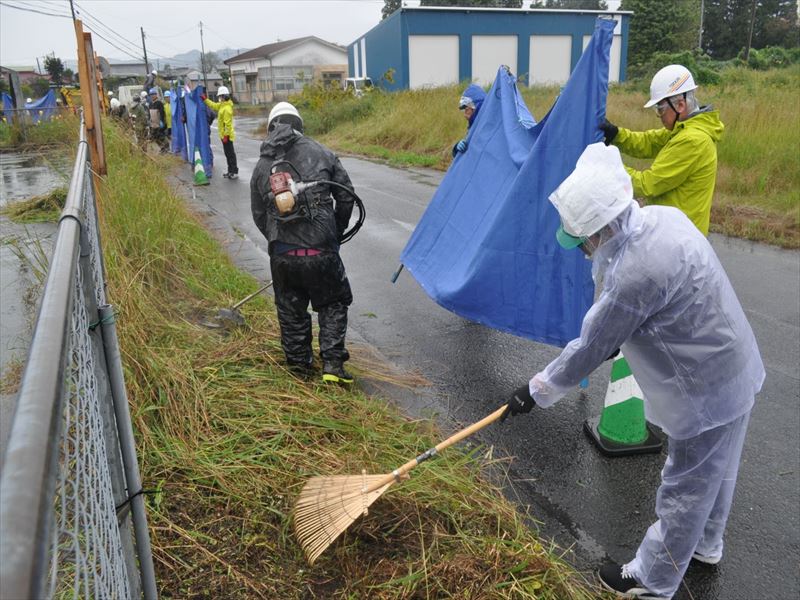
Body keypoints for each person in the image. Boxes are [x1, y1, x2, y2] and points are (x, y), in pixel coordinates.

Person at [502, 142, 764, 599]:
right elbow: (619, 329)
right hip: (734, 366)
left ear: (602, 229)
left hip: (704, 386)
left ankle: (652, 580)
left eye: (584, 239)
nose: (584, 250)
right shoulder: (665, 219)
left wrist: (534, 390)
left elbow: (590, 347)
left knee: (686, 484)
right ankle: (705, 545)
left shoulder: (634, 274)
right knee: (718, 469)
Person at [250, 102, 356, 383]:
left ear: (272, 125)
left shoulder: (263, 165)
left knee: (290, 309)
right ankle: (332, 367)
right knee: (332, 303)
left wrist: (277, 240)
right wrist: (334, 231)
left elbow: (259, 214)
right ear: (299, 123)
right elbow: (346, 196)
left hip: (283, 255)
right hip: (322, 250)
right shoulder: (323, 152)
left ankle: (299, 369)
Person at [599, 64, 724, 236]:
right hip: (674, 232)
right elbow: (649, 142)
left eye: (660, 109)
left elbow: (647, 184)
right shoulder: (684, 130)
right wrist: (616, 135)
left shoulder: (692, 140)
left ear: (680, 105)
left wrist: (608, 167)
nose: (659, 115)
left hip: (679, 240)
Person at [202, 85, 237, 178]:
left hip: (227, 136)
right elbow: (213, 105)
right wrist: (205, 100)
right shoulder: (222, 105)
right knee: (227, 154)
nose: (219, 98)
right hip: (224, 136)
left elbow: (228, 125)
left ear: (224, 96)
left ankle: (234, 172)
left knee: (230, 154)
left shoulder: (227, 108)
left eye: (220, 96)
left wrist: (226, 136)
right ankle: (230, 171)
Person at [452, 83, 486, 157]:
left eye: (467, 109)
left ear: (476, 108)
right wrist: (456, 149)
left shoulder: (487, 127)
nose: (465, 115)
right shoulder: (474, 127)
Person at [147, 87, 167, 152]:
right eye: (151, 95)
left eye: (153, 94)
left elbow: (162, 113)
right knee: (155, 137)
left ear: (156, 95)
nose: (152, 96)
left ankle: (166, 148)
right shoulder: (150, 104)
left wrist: (162, 121)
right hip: (153, 123)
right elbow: (149, 113)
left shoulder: (159, 103)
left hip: (159, 123)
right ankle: (162, 148)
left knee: (161, 136)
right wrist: (149, 120)